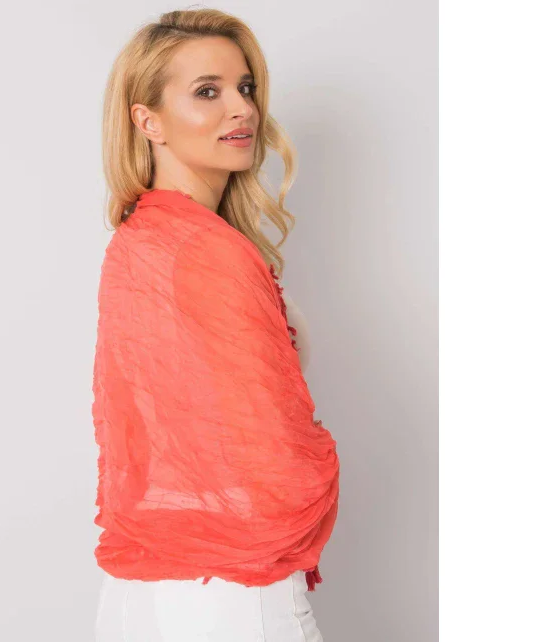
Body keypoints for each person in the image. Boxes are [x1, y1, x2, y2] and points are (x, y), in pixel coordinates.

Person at [92, 8, 340, 641]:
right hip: (230, 594)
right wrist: (319, 461)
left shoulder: (143, 238)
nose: (242, 109)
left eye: (245, 87)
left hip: (144, 593)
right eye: (208, 91)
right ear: (147, 120)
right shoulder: (200, 249)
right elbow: (266, 449)